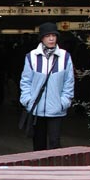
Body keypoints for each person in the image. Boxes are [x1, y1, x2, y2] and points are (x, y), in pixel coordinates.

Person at [19, 22, 74, 151]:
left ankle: (54, 165)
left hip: (56, 109)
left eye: (54, 36)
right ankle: (40, 165)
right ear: (41, 38)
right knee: (38, 145)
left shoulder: (65, 57)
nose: (51, 39)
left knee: (55, 143)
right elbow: (25, 81)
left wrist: (64, 102)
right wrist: (27, 101)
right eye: (47, 36)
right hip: (36, 109)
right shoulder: (31, 56)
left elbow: (69, 82)